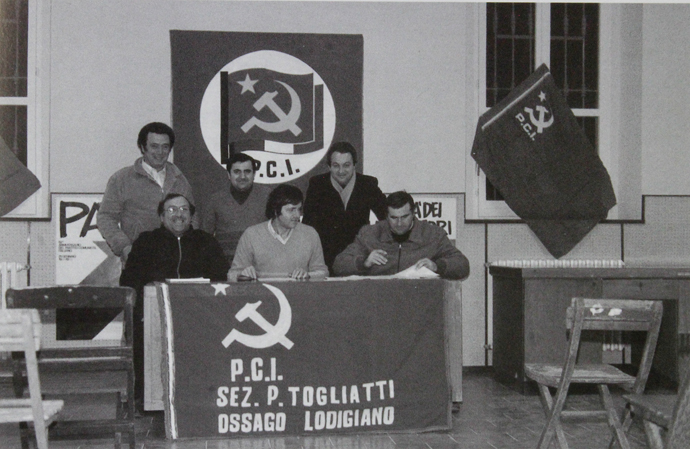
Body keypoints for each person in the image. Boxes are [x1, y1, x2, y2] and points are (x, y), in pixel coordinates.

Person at [120, 193, 229, 411]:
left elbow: (221, 278)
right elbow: (129, 281)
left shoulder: (207, 241)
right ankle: (149, 400)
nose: (178, 214)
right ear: (161, 217)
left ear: (191, 216)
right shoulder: (146, 242)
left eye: (184, 209)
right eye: (171, 210)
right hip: (154, 314)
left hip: (198, 314)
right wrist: (141, 310)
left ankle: (204, 398)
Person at [98, 122, 195, 263]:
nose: (160, 152)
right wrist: (124, 247)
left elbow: (193, 216)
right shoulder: (121, 179)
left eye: (165, 147)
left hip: (177, 260)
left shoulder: (180, 179)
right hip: (138, 259)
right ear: (143, 147)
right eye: (154, 146)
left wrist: (190, 248)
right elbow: (106, 217)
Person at [333, 191, 470, 280]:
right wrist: (364, 262)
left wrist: (437, 266)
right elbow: (339, 264)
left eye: (404, 217)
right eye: (393, 218)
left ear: (414, 212)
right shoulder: (369, 234)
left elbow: (462, 265)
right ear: (386, 215)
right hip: (377, 301)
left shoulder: (433, 234)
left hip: (420, 302)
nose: (399, 223)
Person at [303, 142, 387, 272]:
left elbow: (387, 217)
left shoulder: (367, 184)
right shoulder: (317, 185)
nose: (341, 171)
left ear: (354, 165)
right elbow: (308, 225)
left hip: (358, 257)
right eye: (336, 166)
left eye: (346, 165)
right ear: (329, 166)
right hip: (325, 257)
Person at [229, 184, 328, 281]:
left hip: (299, 291)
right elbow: (232, 275)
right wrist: (242, 275)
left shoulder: (310, 234)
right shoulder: (251, 235)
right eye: (291, 210)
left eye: (299, 209)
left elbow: (322, 272)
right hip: (263, 291)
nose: (297, 215)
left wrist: (308, 275)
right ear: (276, 211)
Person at [200, 152, 272, 263]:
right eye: (237, 172)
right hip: (225, 265)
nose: (242, 176)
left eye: (247, 171)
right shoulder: (215, 200)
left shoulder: (268, 197)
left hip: (260, 264)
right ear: (229, 175)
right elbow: (205, 239)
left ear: (254, 174)